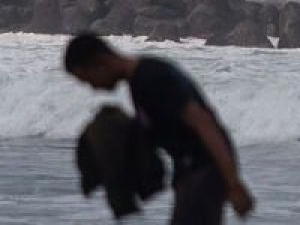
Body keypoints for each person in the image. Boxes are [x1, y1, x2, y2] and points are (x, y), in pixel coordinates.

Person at [64, 33, 255, 224]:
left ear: (100, 62)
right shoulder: (139, 81)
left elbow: (203, 121)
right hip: (192, 170)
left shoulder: (151, 77)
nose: (93, 87)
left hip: (202, 168)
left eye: (88, 79)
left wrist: (234, 183)